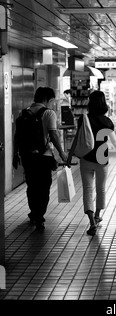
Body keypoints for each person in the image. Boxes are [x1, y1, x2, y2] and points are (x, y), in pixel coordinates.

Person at [67, 91, 116, 236]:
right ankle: (97, 214)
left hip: (86, 159)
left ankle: (92, 222)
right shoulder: (106, 122)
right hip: (102, 160)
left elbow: (77, 139)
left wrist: (70, 156)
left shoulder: (84, 119)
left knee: (87, 190)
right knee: (100, 189)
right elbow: (115, 142)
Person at [13, 87, 68, 230]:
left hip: (27, 156)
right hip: (43, 157)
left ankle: (34, 212)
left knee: (32, 186)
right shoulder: (49, 113)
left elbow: (17, 136)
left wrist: (14, 153)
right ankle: (39, 216)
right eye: (52, 101)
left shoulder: (24, 113)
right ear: (47, 100)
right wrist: (61, 152)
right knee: (44, 187)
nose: (52, 104)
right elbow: (53, 135)